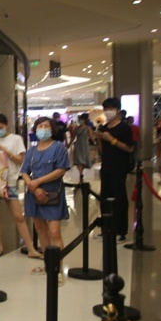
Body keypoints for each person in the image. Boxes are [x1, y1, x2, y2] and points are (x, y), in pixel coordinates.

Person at [21, 118, 70, 285]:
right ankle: (47, 264)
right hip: (34, 195)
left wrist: (38, 182)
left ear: (52, 129)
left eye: (46, 126)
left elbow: (61, 170)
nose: (43, 129)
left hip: (52, 193)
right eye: (40, 126)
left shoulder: (58, 147)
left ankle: (58, 269)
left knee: (55, 232)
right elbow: (25, 172)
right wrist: (33, 187)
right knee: (40, 230)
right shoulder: (32, 151)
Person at [0, 114, 42, 259]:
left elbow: (19, 160)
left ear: (7, 125)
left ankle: (31, 248)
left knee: (18, 216)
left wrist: (5, 151)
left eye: (0, 127)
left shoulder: (16, 139)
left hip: (9, 182)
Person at [96, 98, 133, 242]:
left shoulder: (124, 128)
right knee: (105, 196)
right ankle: (106, 229)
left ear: (117, 110)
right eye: (105, 108)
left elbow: (129, 148)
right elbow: (102, 151)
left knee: (119, 197)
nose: (107, 111)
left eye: (110, 108)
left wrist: (111, 139)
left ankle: (120, 231)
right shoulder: (104, 127)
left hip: (120, 166)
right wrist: (98, 138)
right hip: (106, 166)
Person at [70, 113, 94, 181]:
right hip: (81, 145)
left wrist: (95, 142)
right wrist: (69, 144)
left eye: (81, 119)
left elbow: (91, 137)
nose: (80, 120)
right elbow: (73, 137)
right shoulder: (78, 128)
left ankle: (81, 172)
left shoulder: (87, 128)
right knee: (80, 159)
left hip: (83, 145)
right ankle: (80, 173)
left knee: (82, 159)